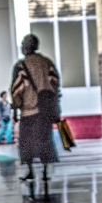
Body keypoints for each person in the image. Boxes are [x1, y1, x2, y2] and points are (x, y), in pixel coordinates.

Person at [11, 34, 60, 182]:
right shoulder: (47, 63)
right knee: (45, 140)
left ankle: (30, 170)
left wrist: (15, 109)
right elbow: (55, 84)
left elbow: (16, 90)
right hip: (45, 111)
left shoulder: (21, 66)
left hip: (28, 111)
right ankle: (45, 172)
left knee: (27, 143)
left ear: (25, 48)